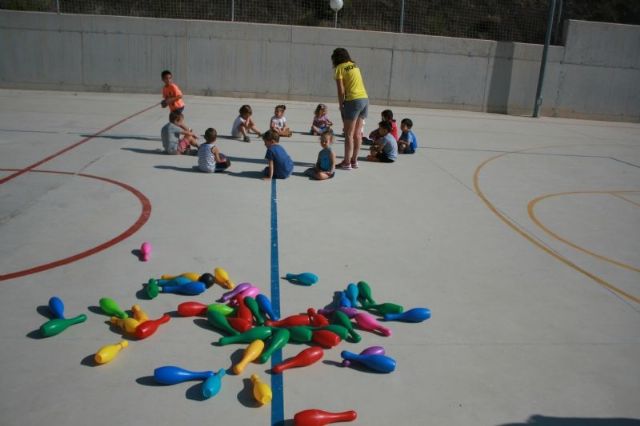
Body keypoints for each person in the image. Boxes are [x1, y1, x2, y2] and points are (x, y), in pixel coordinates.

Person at [331, 47, 368, 170]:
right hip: (364, 99)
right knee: (357, 134)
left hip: (353, 100)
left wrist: (341, 105)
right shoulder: (354, 65)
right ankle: (354, 161)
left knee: (348, 134)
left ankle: (347, 162)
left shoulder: (339, 68)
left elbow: (341, 90)